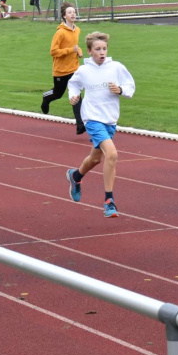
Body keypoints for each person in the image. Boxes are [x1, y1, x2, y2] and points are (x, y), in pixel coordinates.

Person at [65, 31, 136, 218]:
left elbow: (130, 86)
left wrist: (120, 90)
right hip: (92, 118)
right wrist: (73, 95)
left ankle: (76, 176)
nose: (102, 52)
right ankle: (109, 201)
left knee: (96, 159)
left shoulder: (116, 67)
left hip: (110, 119)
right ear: (89, 51)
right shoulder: (84, 71)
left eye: (104, 48)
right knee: (112, 155)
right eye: (97, 49)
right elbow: (73, 84)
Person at [41, 2, 85, 134]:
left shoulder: (77, 30)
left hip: (74, 68)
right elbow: (53, 51)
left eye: (74, 12)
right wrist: (71, 50)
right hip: (60, 70)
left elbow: (75, 45)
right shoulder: (60, 33)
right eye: (70, 12)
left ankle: (80, 124)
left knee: (76, 94)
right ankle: (46, 98)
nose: (73, 14)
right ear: (64, 16)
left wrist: (79, 51)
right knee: (58, 94)